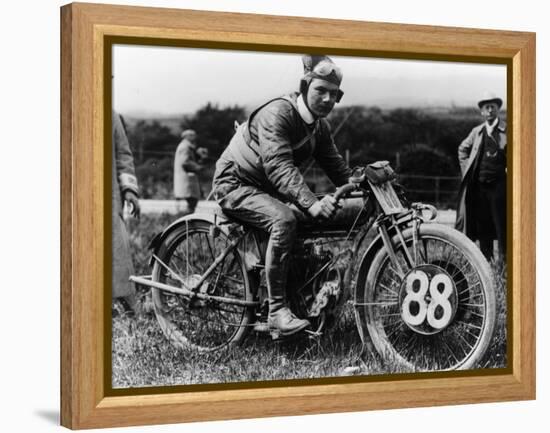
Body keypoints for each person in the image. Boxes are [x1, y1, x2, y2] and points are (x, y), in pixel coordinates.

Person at [212, 55, 352, 338]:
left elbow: (338, 169)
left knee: (303, 224)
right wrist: (311, 203)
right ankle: (277, 312)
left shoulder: (319, 127)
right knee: (285, 219)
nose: (326, 99)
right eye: (320, 91)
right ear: (304, 86)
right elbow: (278, 166)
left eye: (332, 94)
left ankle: (299, 299)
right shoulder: (278, 113)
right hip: (235, 184)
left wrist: (364, 185)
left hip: (265, 189)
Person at [455, 92, 507, 261]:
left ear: (498, 109)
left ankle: (504, 264)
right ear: (482, 112)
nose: (490, 110)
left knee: (502, 225)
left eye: (493, 107)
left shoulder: (507, 131)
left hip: (500, 188)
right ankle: (487, 262)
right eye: (487, 107)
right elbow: (462, 150)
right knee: (483, 225)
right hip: (480, 187)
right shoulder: (477, 132)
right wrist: (467, 170)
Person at [112, 110, 141, 315]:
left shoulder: (110, 115)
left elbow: (123, 154)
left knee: (116, 245)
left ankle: (124, 301)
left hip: (106, 194)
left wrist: (129, 190)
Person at [173, 129, 208, 214]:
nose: (194, 137)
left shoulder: (187, 147)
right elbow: (185, 162)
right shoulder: (185, 147)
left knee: (192, 199)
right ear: (186, 137)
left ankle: (188, 215)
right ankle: (187, 216)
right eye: (192, 135)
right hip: (187, 178)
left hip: (188, 178)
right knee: (192, 199)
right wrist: (198, 167)